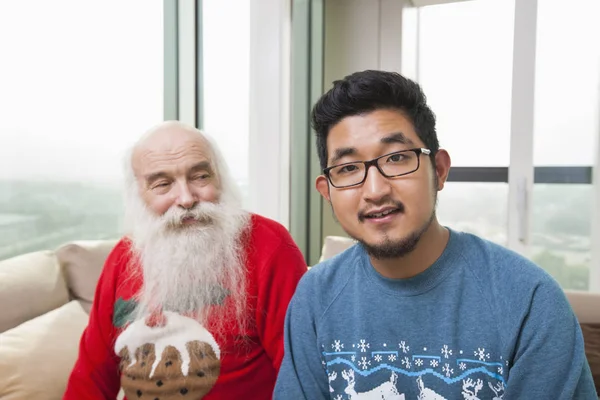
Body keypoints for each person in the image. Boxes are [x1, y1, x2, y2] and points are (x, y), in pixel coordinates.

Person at [274, 70, 596, 399]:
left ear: (439, 170)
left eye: (397, 158)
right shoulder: (314, 298)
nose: (374, 190)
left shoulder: (530, 302)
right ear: (327, 191)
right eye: (348, 168)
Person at [64, 121, 307, 399]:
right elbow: (91, 377)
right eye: (163, 184)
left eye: (200, 176)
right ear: (139, 195)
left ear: (219, 178)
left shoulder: (269, 245)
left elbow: (300, 371)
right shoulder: (123, 257)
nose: (187, 198)